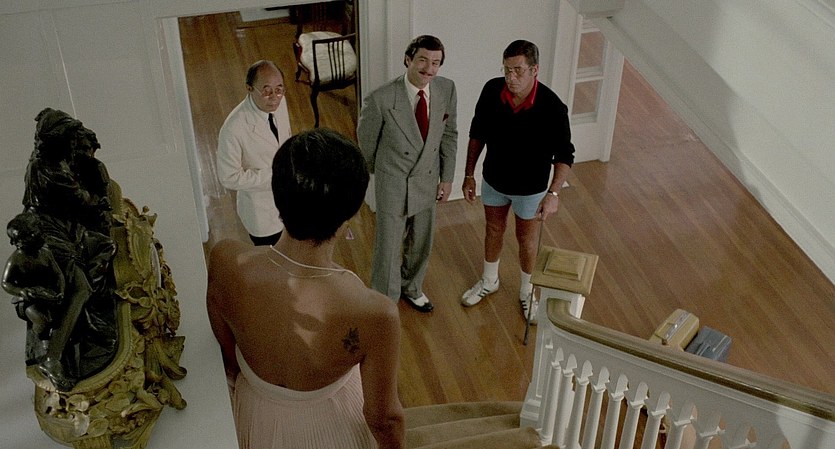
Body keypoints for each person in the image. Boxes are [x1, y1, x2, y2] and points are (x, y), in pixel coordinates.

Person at [207, 128, 405, 449]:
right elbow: (385, 419)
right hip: (331, 427)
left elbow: (228, 352)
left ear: (276, 197)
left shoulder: (225, 259)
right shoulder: (375, 312)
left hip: (257, 412)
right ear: (349, 216)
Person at [460, 40, 575, 324]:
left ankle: (527, 291)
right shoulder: (491, 90)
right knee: (493, 229)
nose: (511, 77)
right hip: (494, 180)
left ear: (534, 70)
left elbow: (564, 154)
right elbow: (477, 133)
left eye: (518, 70)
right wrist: (469, 174)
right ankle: (490, 280)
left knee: (526, 239)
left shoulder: (553, 107)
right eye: (507, 69)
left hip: (531, 188)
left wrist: (553, 194)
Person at [356, 35, 458, 313]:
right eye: (423, 60)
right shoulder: (380, 98)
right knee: (388, 246)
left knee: (422, 240)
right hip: (394, 181)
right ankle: (384, 301)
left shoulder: (447, 89)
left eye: (435, 63)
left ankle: (412, 287)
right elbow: (366, 145)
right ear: (408, 59)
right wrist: (384, 175)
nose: (429, 68)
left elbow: (449, 135)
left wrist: (447, 178)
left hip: (428, 177)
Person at [217, 59, 291, 246]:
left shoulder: (280, 103)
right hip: (263, 215)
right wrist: (275, 175)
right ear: (249, 88)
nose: (274, 97)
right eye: (266, 91)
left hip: (289, 202)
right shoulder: (233, 129)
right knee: (272, 259)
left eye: (279, 89)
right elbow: (229, 177)